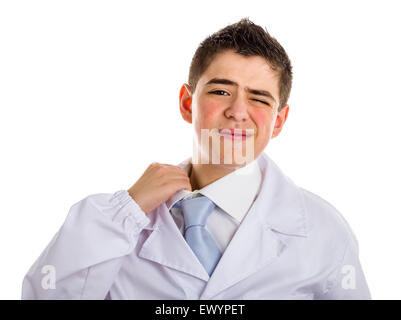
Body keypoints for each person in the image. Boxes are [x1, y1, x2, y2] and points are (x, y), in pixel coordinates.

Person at [21, 18, 371, 300]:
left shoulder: (323, 231)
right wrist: (125, 211)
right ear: (187, 103)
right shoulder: (118, 221)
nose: (238, 112)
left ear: (279, 121)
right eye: (221, 91)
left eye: (260, 99)